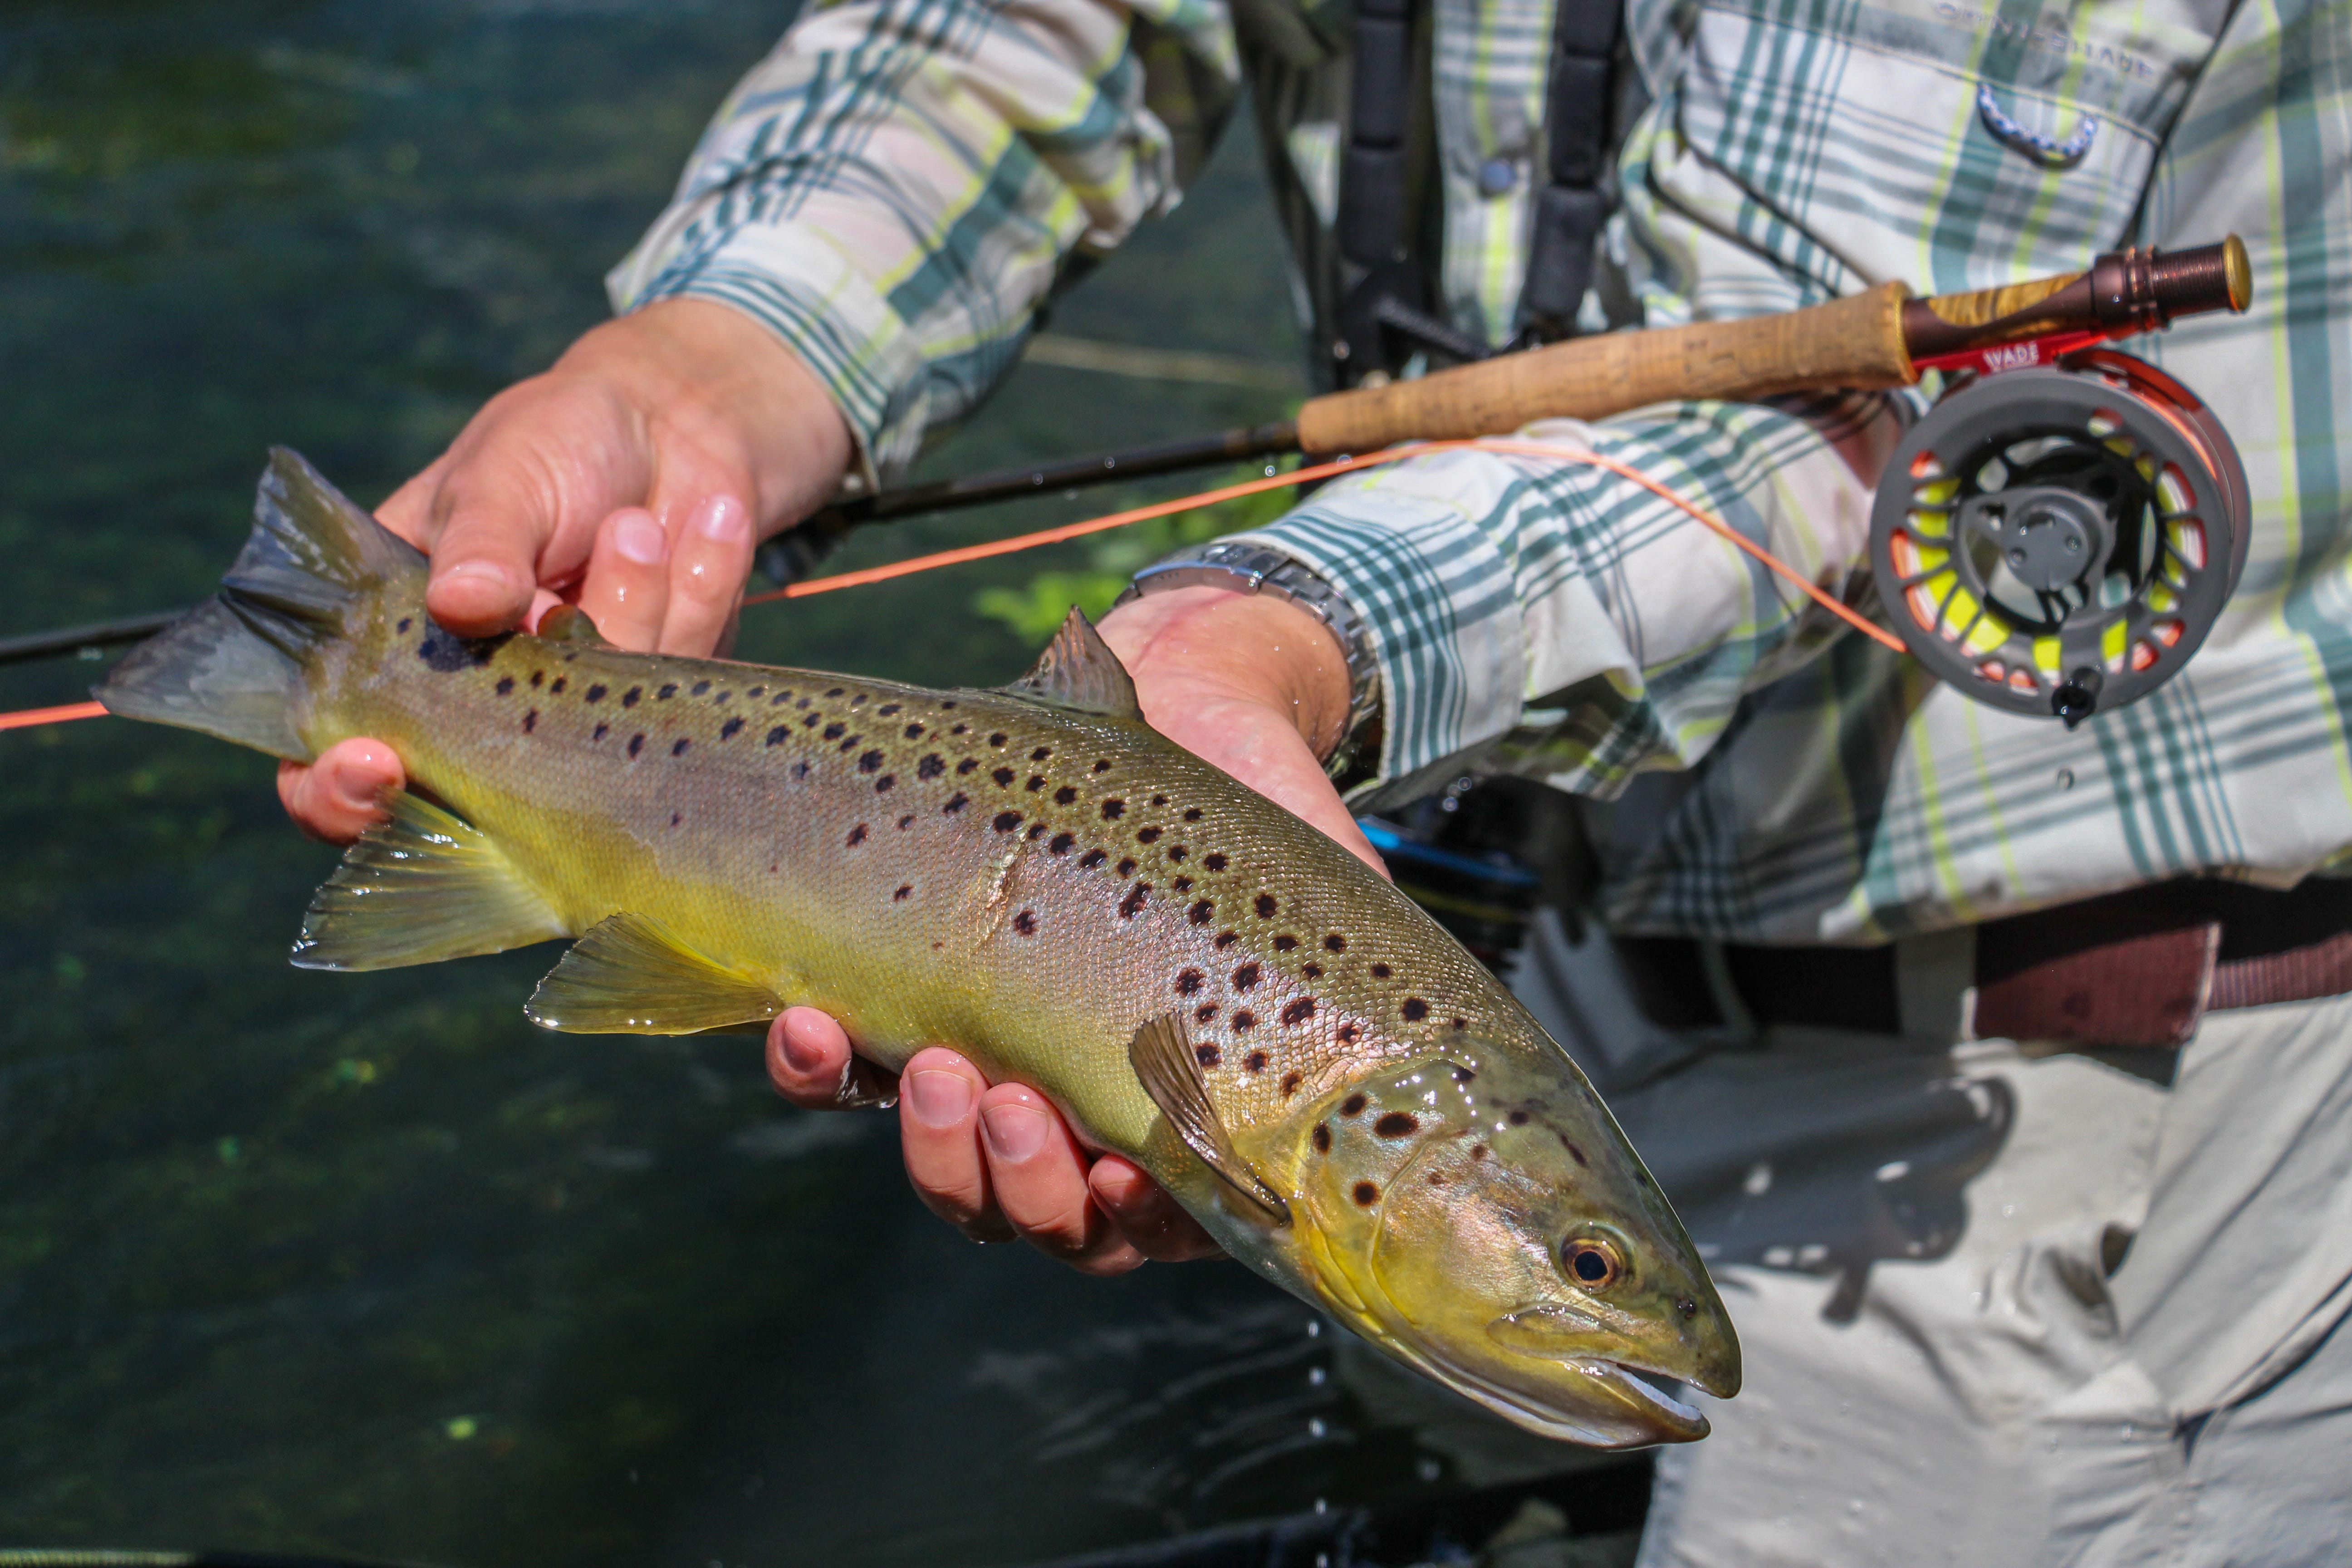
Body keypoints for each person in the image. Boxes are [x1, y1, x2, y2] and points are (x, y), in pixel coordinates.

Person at [280, 0, 2352, 1559]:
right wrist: (716, 363)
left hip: (2064, 1089)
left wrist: (1271, 634)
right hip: (1529, 949)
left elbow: (1800, 409)